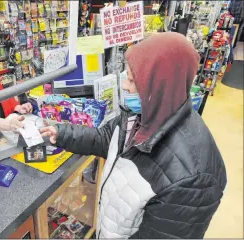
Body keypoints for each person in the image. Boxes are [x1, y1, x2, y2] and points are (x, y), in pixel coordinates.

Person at [40, 32, 227, 239]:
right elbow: (106, 138)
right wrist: (63, 132)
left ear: (159, 85)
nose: (124, 86)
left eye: (132, 80)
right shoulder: (144, 114)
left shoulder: (193, 179)